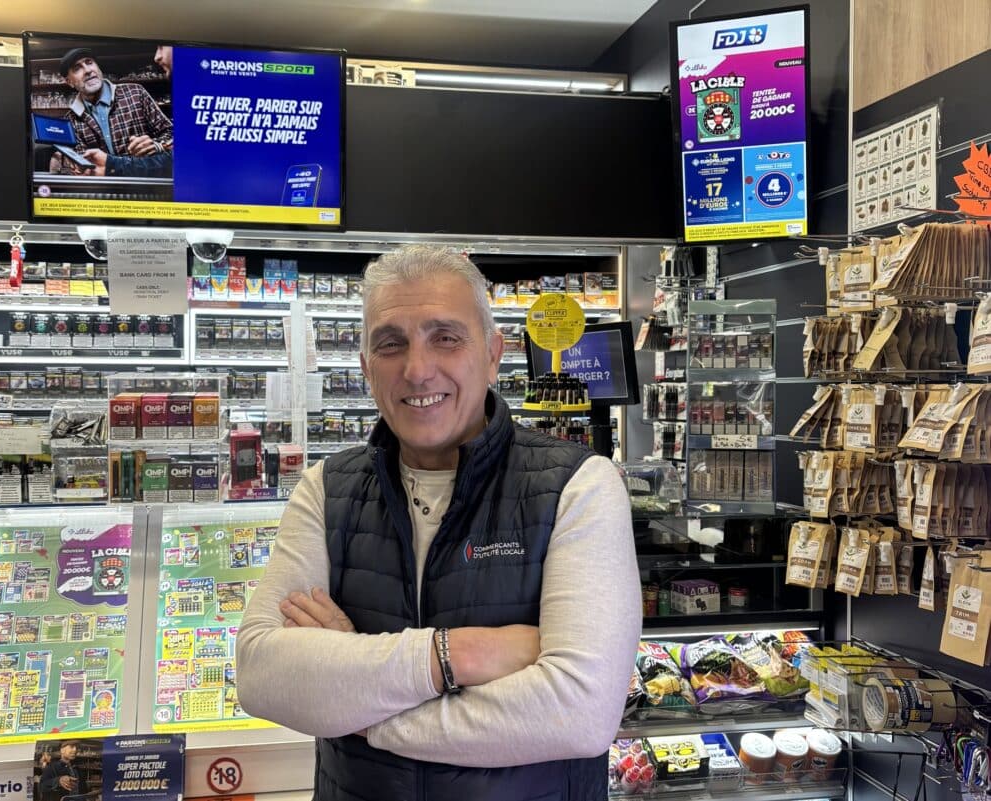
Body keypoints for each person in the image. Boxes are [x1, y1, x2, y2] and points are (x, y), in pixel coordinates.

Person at [237, 245, 641, 800]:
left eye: (446, 337)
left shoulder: (579, 486)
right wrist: (458, 655)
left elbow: (580, 714)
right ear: (365, 367)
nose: (417, 369)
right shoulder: (326, 490)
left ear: (493, 354)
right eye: (390, 343)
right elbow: (261, 674)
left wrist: (360, 708)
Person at [53, 47, 172, 178]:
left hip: (145, 182)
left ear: (98, 67)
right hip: (104, 188)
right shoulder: (70, 120)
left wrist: (157, 145)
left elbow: (172, 134)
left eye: (89, 62)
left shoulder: (135, 93)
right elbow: (81, 164)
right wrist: (70, 165)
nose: (87, 70)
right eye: (77, 68)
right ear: (69, 82)